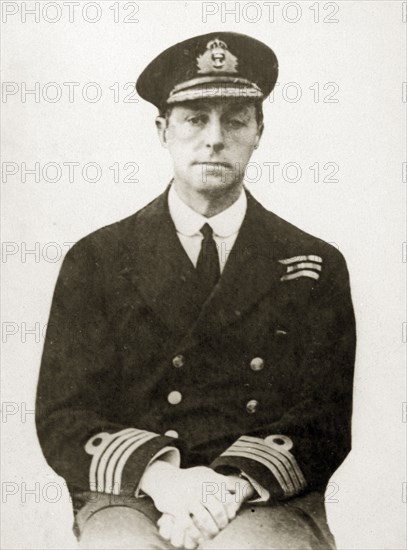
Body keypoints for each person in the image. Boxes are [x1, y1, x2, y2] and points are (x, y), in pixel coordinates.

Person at [36, 32, 356, 549]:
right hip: (134, 494)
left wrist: (228, 487)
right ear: (163, 130)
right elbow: (63, 416)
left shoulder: (314, 264)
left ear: (259, 131)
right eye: (194, 118)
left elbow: (325, 420)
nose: (214, 138)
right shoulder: (96, 259)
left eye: (234, 119)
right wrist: (166, 480)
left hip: (262, 494)